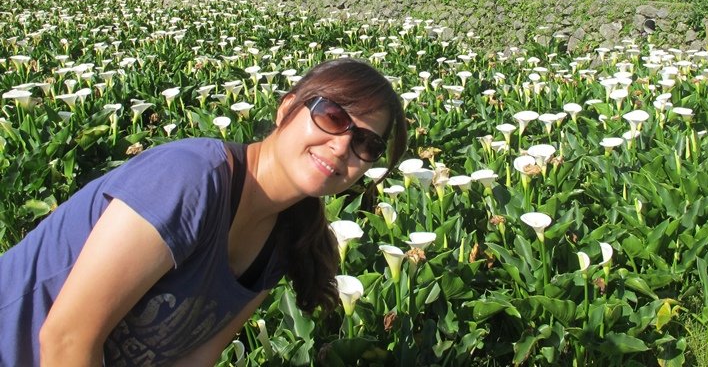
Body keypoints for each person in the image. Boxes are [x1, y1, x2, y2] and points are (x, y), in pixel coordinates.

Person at [0, 57, 407, 366]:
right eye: (332, 116)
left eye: (367, 144)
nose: (342, 147)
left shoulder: (286, 241)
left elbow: (192, 361)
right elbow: (66, 338)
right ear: (286, 110)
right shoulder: (191, 177)